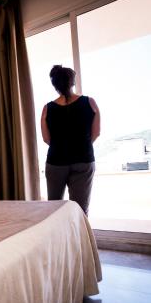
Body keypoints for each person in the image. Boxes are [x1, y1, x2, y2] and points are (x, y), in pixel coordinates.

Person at [40, 65, 101, 215]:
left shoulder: (47, 108)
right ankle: (79, 238)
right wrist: (81, 144)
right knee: (80, 211)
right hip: (84, 160)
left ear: (55, 86)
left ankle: (57, 238)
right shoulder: (90, 102)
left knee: (54, 209)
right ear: (72, 82)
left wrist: (62, 146)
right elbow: (96, 133)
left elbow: (47, 139)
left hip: (56, 162)